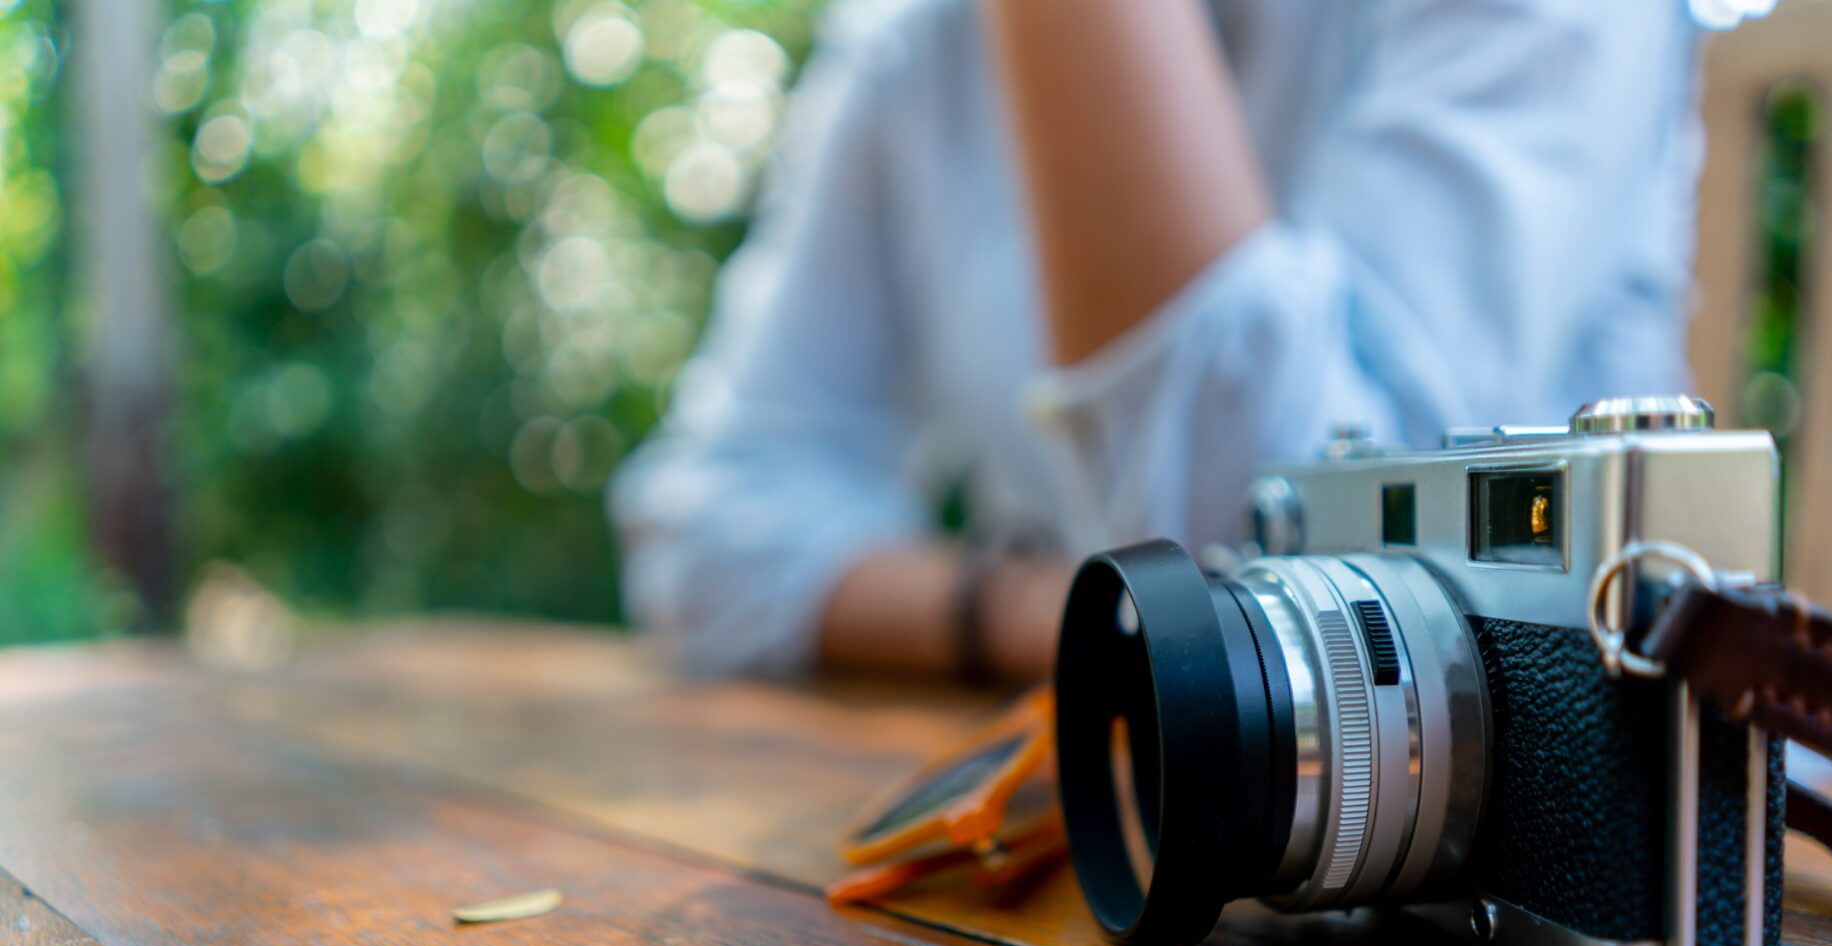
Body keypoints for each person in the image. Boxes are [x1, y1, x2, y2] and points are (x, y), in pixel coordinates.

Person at [608, 0, 1702, 683]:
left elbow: (1300, 612)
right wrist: (1038, 611)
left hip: (1552, 893)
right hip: (1136, 851)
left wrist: (1122, 619)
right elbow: (707, 531)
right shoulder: (923, 42)